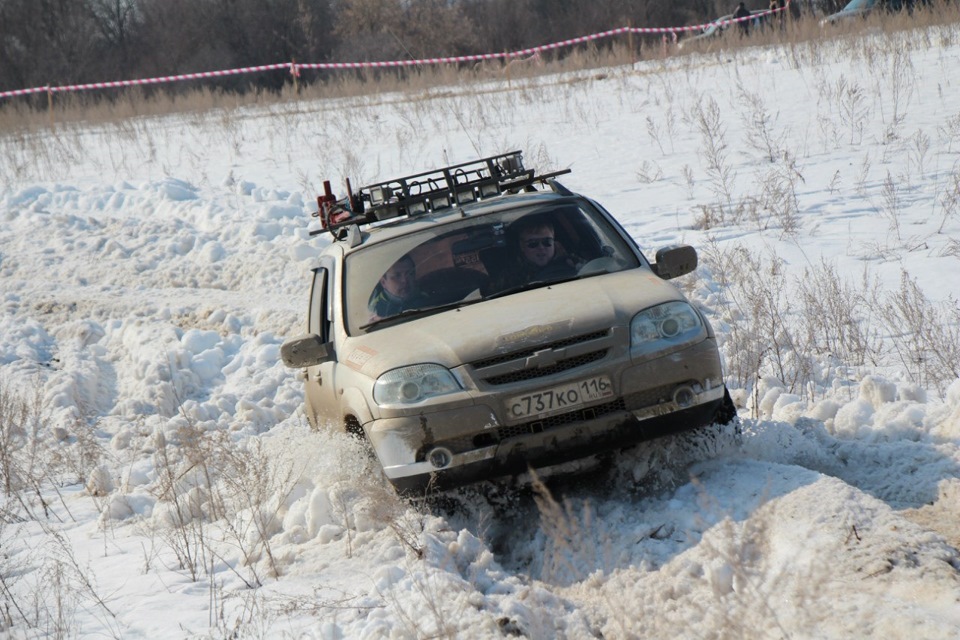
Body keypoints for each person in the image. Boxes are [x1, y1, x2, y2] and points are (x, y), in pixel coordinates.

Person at [500, 213, 579, 288]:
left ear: (554, 242)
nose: (541, 247)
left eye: (547, 242)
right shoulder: (511, 278)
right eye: (533, 243)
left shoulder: (576, 265)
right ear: (522, 246)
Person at [367, 254, 427, 320]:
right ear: (383, 282)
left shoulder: (427, 300)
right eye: (397, 276)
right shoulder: (374, 311)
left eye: (410, 274)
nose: (404, 280)